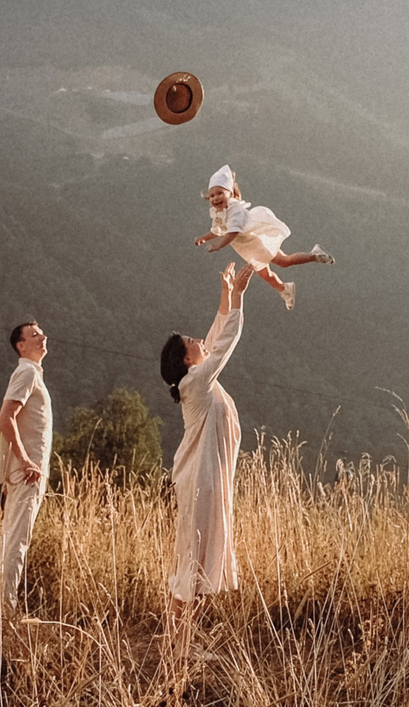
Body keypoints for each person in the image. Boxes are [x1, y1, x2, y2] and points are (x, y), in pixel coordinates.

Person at [162, 263, 252, 622]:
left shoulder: (197, 377)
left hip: (208, 478)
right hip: (202, 479)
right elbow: (224, 343)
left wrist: (227, 293)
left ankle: (182, 645)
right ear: (187, 359)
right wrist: (240, 299)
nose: (199, 341)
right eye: (192, 343)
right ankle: (178, 648)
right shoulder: (197, 381)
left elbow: (214, 339)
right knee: (194, 560)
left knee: (197, 558)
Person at [196, 165, 332, 310]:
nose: (215, 198)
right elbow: (218, 230)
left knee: (283, 262)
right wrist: (204, 238)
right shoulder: (220, 213)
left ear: (229, 193)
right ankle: (285, 289)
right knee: (266, 273)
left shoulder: (234, 210)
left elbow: (232, 232)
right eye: (212, 195)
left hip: (256, 243)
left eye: (219, 193)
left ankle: (314, 256)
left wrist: (218, 246)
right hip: (249, 248)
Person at [0, 319, 53, 614]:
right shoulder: (27, 372)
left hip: (23, 471)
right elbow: (5, 419)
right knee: (17, 541)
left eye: (41, 333)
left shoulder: (30, 373)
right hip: (27, 472)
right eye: (34, 335)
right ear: (21, 345)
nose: (42, 337)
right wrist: (26, 460)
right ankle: (5, 612)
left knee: (11, 538)